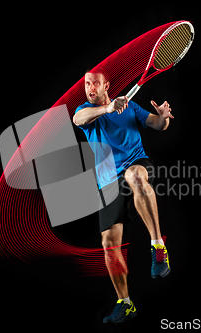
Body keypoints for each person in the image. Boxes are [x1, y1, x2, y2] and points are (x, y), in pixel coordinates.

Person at [73, 68, 173, 324]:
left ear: (107, 86)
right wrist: (107, 109)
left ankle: (158, 248)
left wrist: (163, 118)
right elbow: (79, 120)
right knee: (109, 244)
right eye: (87, 84)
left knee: (135, 176)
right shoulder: (86, 111)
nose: (90, 88)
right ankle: (125, 303)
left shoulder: (130, 107)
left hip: (135, 162)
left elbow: (157, 124)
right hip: (107, 182)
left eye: (95, 83)